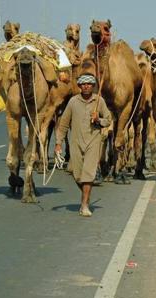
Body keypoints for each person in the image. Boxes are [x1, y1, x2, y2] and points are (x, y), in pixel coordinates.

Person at [55, 73, 112, 217]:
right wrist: (58, 143)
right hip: (76, 142)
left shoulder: (99, 101)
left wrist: (98, 120)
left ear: (93, 86)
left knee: (88, 174)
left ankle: (84, 204)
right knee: (77, 175)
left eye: (89, 84)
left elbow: (108, 120)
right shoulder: (73, 102)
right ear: (79, 86)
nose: (86, 86)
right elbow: (64, 124)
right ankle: (86, 193)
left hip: (93, 141)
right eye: (83, 84)